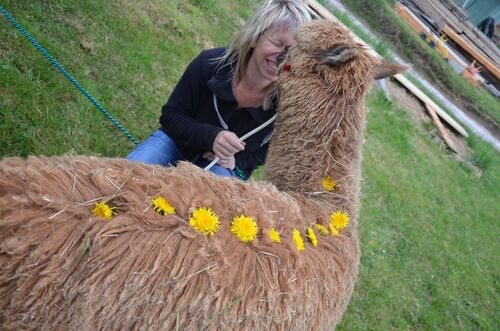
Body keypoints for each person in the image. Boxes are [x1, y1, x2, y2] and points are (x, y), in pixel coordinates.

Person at [126, 0, 311, 179]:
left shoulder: (289, 101)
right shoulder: (210, 64)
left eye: (291, 52)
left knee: (208, 206)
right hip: (177, 143)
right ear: (255, 37)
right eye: (277, 44)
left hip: (223, 167)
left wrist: (236, 160)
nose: (282, 57)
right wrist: (211, 137)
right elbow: (171, 116)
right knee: (126, 178)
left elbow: (266, 152)